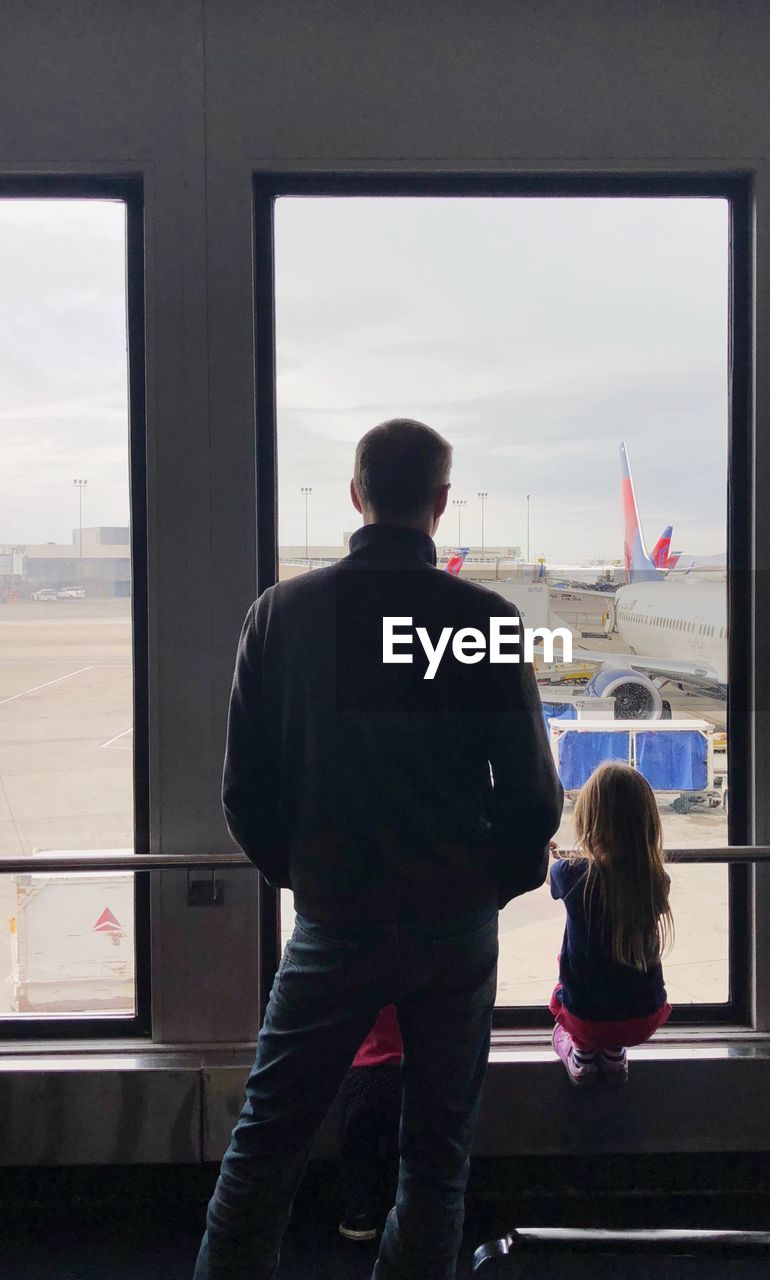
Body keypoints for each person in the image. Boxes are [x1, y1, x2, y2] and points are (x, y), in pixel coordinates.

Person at [194, 418, 563, 1280]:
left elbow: (243, 791)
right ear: (440, 504)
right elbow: (533, 798)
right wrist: (486, 888)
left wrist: (309, 878)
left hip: (335, 918)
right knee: (435, 1162)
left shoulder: (278, 614)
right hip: (452, 927)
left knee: (265, 1151)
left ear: (357, 495)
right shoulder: (483, 619)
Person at [549, 761, 673, 1087]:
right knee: (621, 967)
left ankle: (582, 1054)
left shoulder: (572, 874)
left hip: (586, 1019)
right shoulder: (656, 880)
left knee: (568, 973)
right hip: (643, 1017)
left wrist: (552, 854)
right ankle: (614, 1054)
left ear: (589, 817)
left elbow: (553, 880)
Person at [337, 1005, 403, 1242]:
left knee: (357, 1149)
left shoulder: (361, 973)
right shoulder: (419, 976)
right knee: (402, 1151)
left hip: (365, 1070)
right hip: (408, 1070)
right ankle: (398, 1216)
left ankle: (359, 1217)